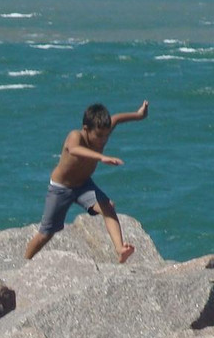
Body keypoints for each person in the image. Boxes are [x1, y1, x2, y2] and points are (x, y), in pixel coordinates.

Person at [24, 100, 149, 263]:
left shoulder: (102, 130)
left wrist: (139, 115)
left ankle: (120, 249)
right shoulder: (75, 136)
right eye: (99, 136)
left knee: (108, 206)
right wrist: (102, 157)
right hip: (61, 188)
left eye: (106, 135)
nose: (103, 140)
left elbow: (117, 118)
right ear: (86, 129)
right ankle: (25, 262)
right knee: (46, 233)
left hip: (83, 185)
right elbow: (75, 150)